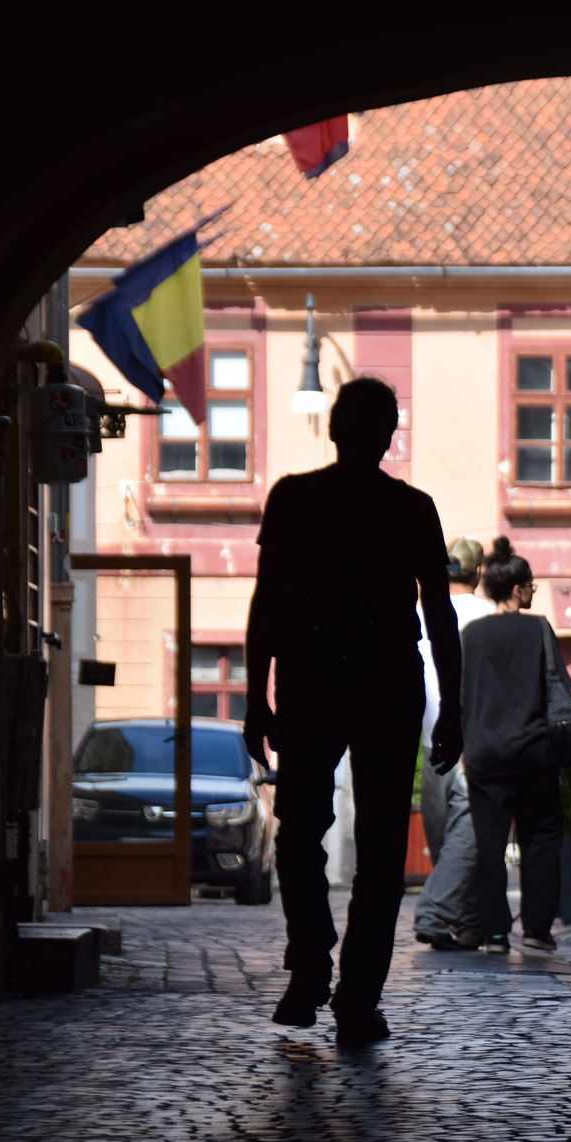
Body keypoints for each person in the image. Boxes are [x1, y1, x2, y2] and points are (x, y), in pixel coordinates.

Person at [243, 376, 462, 1046]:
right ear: (389, 436)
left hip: (310, 675)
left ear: (334, 429)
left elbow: (267, 602)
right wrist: (453, 705)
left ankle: (311, 959)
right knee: (382, 851)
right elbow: (439, 613)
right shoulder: (413, 508)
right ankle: (357, 1000)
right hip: (388, 679)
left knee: (298, 832)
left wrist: (255, 697)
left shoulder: (293, 498)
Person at [460, 537, 571, 955]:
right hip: (532, 752)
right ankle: (537, 930)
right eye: (530, 586)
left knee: (489, 846)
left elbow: (462, 695)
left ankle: (494, 934)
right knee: (541, 837)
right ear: (516, 589)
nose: (532, 592)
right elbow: (558, 686)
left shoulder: (472, 634)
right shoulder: (538, 628)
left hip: (484, 753)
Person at [413, 537, 492, 950]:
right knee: (468, 839)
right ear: (479, 572)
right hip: (471, 741)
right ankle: (437, 915)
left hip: (430, 742)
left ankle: (470, 924)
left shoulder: (418, 612)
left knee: (449, 842)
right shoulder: (490, 615)